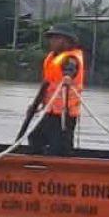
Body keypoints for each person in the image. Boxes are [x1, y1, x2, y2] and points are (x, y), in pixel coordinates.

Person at [28, 24, 87, 156]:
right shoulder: (53, 58)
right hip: (50, 112)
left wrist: (68, 76)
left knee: (59, 148)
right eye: (51, 38)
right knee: (35, 138)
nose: (52, 41)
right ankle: (38, 164)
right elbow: (47, 85)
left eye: (56, 38)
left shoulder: (71, 58)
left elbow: (71, 69)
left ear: (66, 41)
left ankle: (57, 166)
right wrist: (35, 105)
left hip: (64, 115)